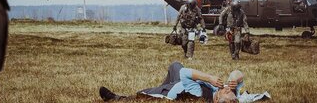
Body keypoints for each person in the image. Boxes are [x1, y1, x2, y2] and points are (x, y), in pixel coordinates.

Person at [99, 61, 244, 102]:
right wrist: (234, 79)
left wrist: (209, 78)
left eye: (227, 92)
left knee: (141, 95)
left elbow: (185, 73)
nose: (227, 89)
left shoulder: (200, 94)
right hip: (182, 82)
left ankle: (115, 98)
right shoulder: (231, 93)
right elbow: (238, 73)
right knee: (175, 65)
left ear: (218, 99)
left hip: (175, 89)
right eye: (230, 90)